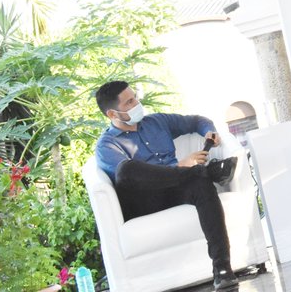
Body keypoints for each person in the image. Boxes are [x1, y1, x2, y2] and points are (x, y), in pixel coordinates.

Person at [93, 81, 240, 292]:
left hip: (175, 188)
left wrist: (209, 132)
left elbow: (197, 121)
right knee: (126, 169)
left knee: (200, 184)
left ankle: (222, 269)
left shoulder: (156, 121)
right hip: (144, 200)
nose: (137, 104)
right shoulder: (107, 145)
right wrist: (181, 166)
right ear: (112, 114)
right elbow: (128, 178)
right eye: (129, 102)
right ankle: (206, 172)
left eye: (135, 97)